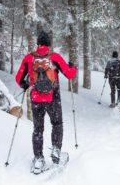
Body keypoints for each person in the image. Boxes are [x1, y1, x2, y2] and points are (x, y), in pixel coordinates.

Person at [15, 31, 77, 174]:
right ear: (49, 43)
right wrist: (72, 66)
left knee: (38, 129)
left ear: (38, 43)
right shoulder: (54, 57)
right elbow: (70, 74)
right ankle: (56, 151)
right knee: (57, 124)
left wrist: (25, 85)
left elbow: (19, 78)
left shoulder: (29, 58)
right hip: (53, 99)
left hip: (36, 99)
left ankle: (38, 160)